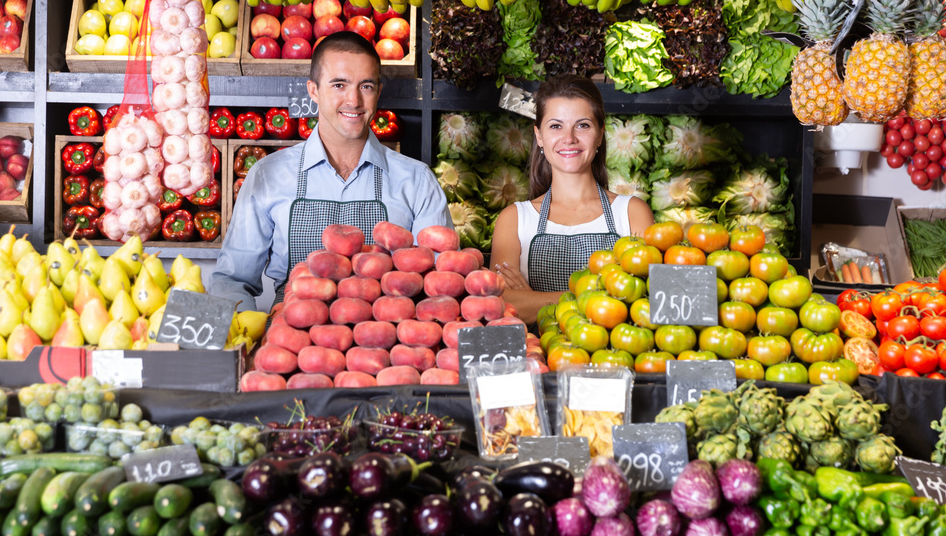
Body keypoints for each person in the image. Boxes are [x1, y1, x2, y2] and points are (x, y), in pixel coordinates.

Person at [210, 32, 452, 311]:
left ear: (378, 92)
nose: (354, 100)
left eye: (366, 86)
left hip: (383, 340)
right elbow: (231, 281)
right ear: (313, 91)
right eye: (339, 85)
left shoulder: (416, 180)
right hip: (293, 339)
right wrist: (246, 339)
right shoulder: (268, 175)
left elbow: (440, 281)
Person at [490, 74, 654, 325]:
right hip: (535, 361)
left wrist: (533, 299)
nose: (569, 138)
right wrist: (604, 297)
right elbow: (501, 304)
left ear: (600, 135)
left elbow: (647, 301)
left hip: (612, 361)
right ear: (539, 136)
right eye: (556, 126)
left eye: (583, 125)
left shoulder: (632, 212)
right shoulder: (514, 219)